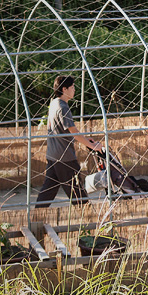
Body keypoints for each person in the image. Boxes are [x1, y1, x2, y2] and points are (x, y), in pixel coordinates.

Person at [35, 75, 102, 208]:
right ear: (64, 89)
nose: (74, 90)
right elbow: (74, 132)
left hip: (53, 155)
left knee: (47, 192)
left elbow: (57, 129)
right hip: (65, 157)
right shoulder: (63, 107)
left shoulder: (54, 103)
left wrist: (84, 139)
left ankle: (36, 218)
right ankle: (87, 220)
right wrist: (93, 146)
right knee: (78, 194)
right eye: (72, 87)